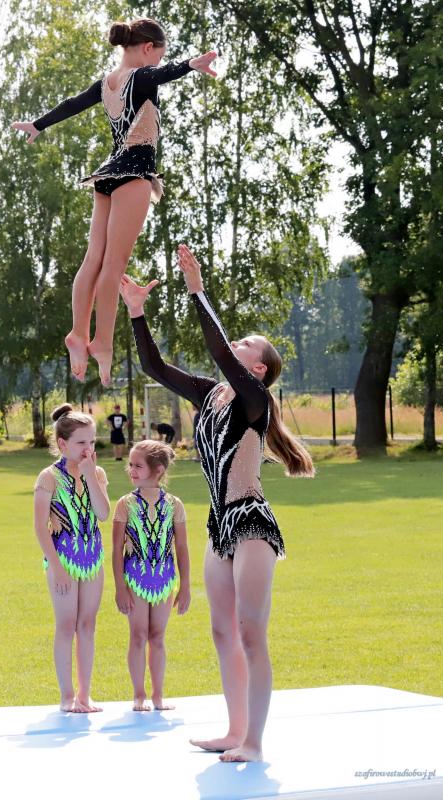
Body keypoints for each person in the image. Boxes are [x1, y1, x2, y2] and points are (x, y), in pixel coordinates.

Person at [119, 244, 315, 762]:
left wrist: (197, 290)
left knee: (251, 635)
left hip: (251, 523)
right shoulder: (211, 395)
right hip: (219, 526)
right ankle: (235, 731)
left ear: (258, 367)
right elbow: (154, 366)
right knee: (222, 631)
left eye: (244, 344)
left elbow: (220, 352)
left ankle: (254, 742)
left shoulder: (255, 400)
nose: (234, 344)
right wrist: (136, 311)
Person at [12, 18, 217, 386]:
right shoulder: (142, 76)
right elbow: (164, 73)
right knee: (114, 264)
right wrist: (190, 64)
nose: (157, 63)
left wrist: (38, 124)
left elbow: (73, 104)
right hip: (134, 173)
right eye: (158, 56)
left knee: (94, 258)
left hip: (107, 175)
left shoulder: (108, 83)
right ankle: (101, 342)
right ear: (148, 48)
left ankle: (78, 332)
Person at [33, 403, 110, 713]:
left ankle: (85, 695)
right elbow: (40, 527)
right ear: (62, 444)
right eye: (81, 443)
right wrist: (57, 567)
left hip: (92, 559)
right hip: (62, 559)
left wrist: (91, 476)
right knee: (66, 625)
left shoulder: (97, 472)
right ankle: (66, 696)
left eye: (91, 442)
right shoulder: (49, 477)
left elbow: (103, 514)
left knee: (87, 625)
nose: (87, 449)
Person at [112, 439, 190, 712]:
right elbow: (116, 548)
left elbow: (182, 547)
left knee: (157, 636)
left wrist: (185, 586)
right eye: (130, 465)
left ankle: (158, 696)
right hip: (135, 578)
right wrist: (120, 587)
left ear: (158, 470)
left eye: (138, 466)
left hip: (165, 579)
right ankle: (139, 695)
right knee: (138, 635)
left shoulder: (174, 505)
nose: (131, 470)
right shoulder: (125, 504)